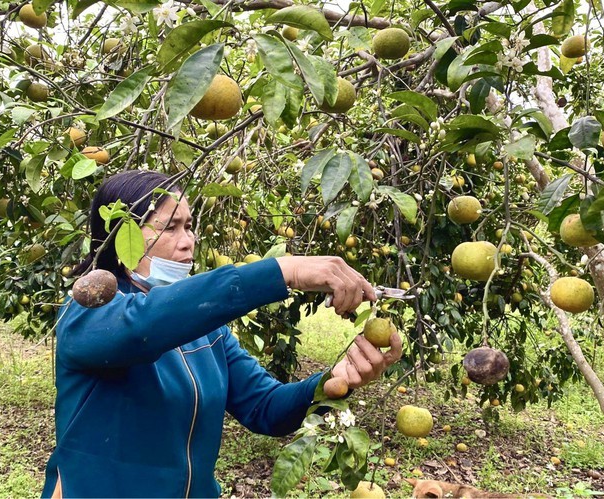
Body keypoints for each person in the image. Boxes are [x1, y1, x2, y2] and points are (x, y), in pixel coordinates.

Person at [41, 170, 402, 498]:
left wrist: (335, 381)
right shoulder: (87, 313)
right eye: (170, 228)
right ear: (124, 237)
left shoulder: (206, 330)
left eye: (189, 226)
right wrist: (283, 272)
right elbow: (141, 328)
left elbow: (266, 407)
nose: (187, 241)